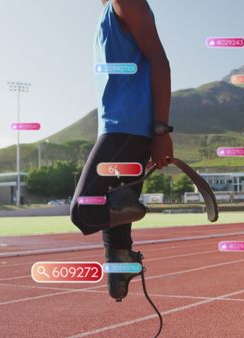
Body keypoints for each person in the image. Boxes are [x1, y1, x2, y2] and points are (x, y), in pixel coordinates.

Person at [70, 0, 173, 302]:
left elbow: (160, 61)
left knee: (84, 211)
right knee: (114, 208)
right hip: (119, 126)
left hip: (129, 127)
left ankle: (135, 211)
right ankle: (121, 263)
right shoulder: (109, 10)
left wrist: (161, 131)